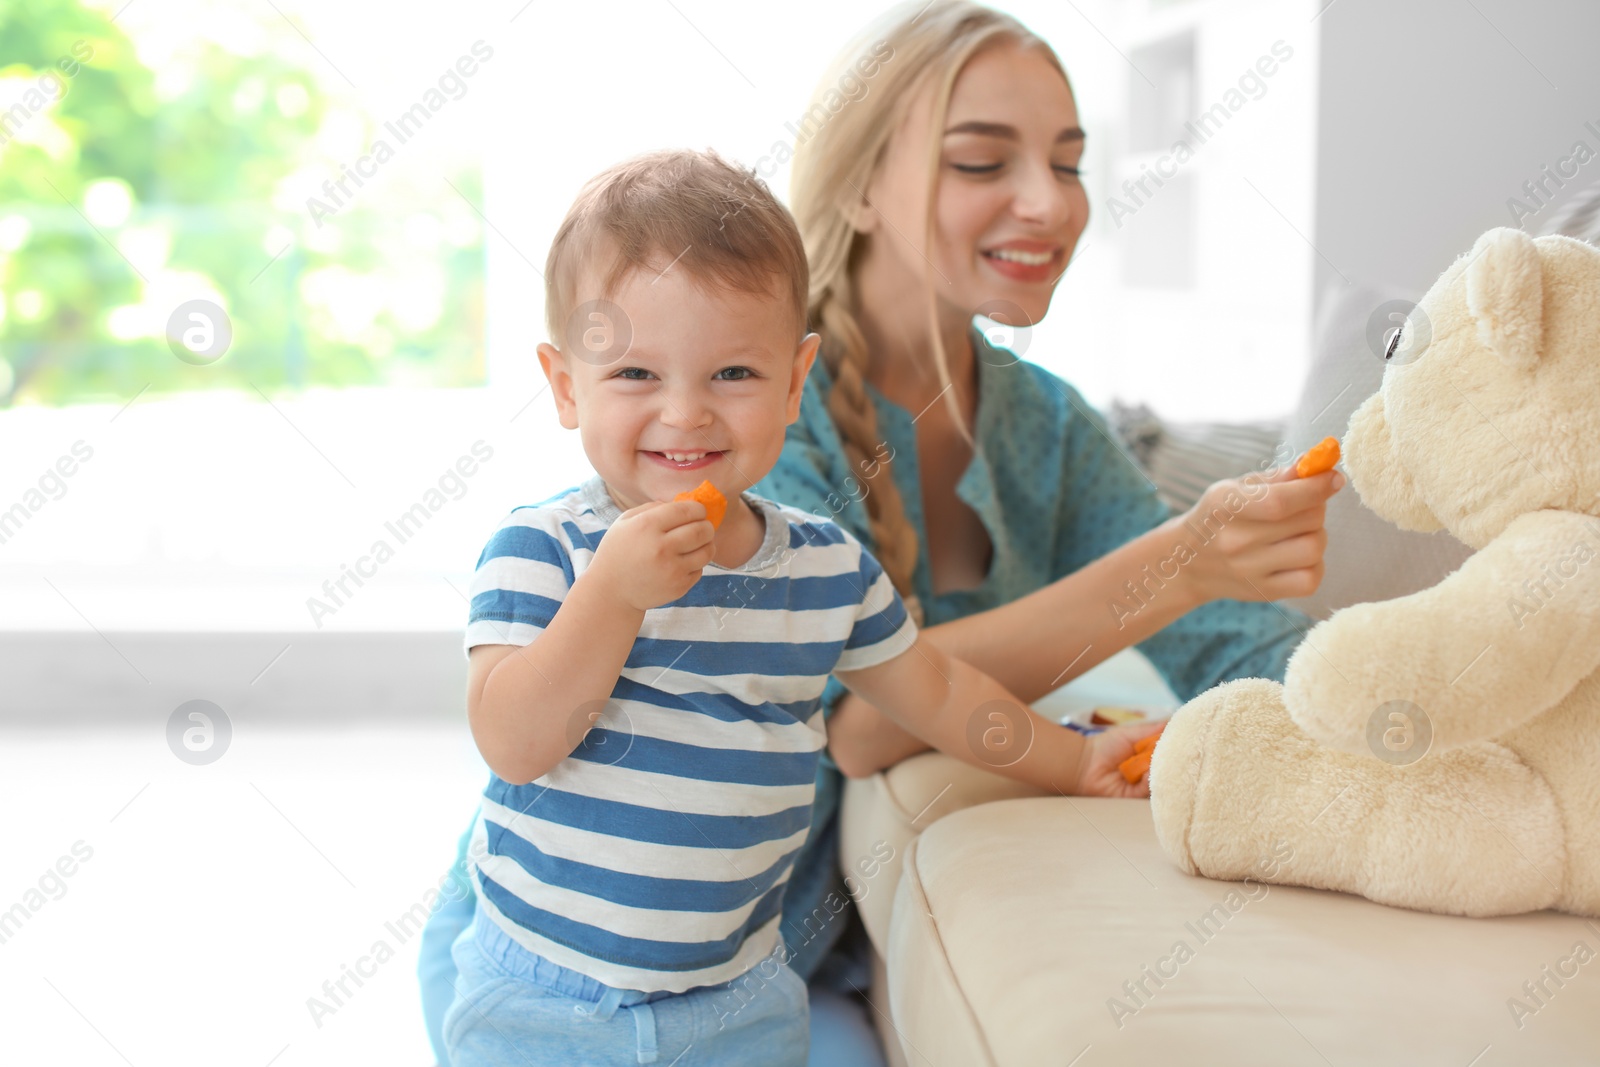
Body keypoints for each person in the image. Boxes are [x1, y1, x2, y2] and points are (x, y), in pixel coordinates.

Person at [420, 4, 1345, 1064]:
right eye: (981, 160)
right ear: (860, 187)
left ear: (789, 367)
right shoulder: (710, 453)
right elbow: (858, 720)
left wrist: (1390, 694)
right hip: (558, 969)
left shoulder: (1037, 430)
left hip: (742, 975)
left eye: (1070, 161)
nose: (1046, 201)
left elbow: (1210, 644)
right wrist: (1177, 562)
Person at [436, 147, 1163, 1067]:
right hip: (545, 994)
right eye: (635, 376)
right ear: (565, 384)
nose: (687, 413)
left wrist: (1072, 760)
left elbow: (937, 690)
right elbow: (513, 739)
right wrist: (611, 595)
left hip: (736, 996)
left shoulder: (823, 568)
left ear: (793, 380)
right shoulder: (542, 550)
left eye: (733, 374)